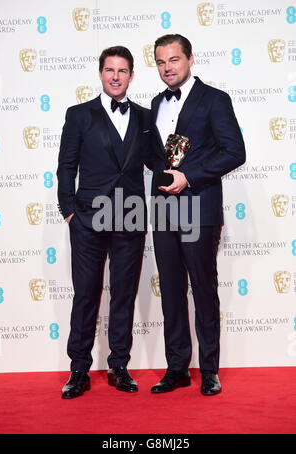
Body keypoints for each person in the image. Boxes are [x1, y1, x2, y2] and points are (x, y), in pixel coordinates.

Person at [150, 34, 246, 395]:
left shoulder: (214, 100)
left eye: (173, 60)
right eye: (160, 62)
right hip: (162, 210)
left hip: (198, 207)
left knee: (203, 290)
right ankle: (177, 368)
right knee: (172, 292)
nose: (167, 68)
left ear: (190, 59)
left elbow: (235, 152)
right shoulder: (156, 103)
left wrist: (190, 176)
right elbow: (156, 155)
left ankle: (209, 370)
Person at [57, 46, 152, 399]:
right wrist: (69, 211)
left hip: (130, 219)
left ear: (131, 75)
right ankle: (79, 369)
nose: (115, 76)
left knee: (123, 296)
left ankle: (119, 366)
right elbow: (67, 166)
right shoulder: (79, 115)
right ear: (100, 73)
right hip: (87, 220)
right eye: (110, 70)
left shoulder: (145, 117)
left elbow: (157, 163)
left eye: (122, 70)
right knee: (86, 295)